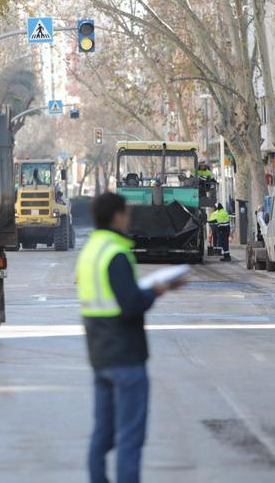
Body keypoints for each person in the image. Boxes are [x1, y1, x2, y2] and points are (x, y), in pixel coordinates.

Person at [77, 192, 185, 483]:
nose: (128, 219)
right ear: (116, 216)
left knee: (102, 434)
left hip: (100, 355)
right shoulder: (115, 253)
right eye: (126, 214)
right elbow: (131, 304)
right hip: (126, 357)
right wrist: (158, 290)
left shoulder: (89, 252)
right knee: (130, 437)